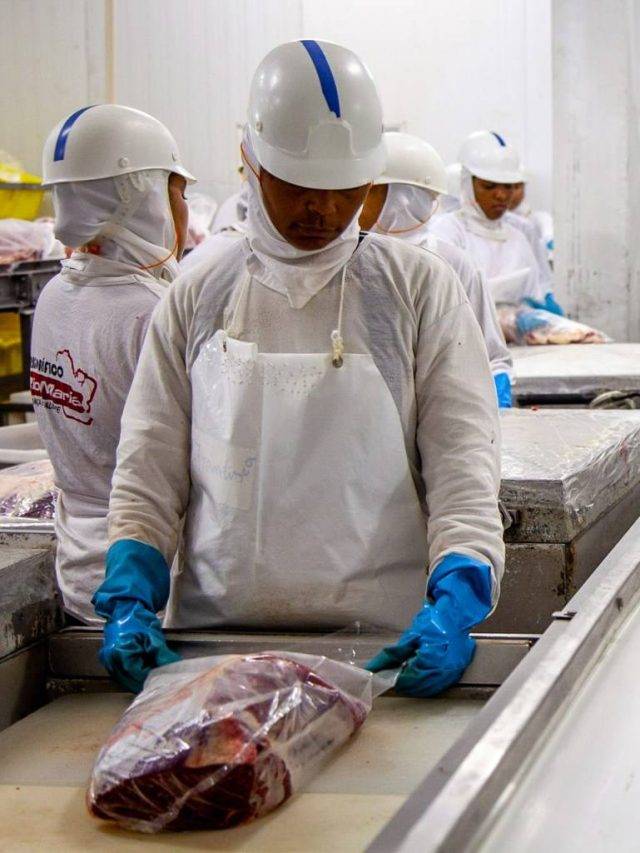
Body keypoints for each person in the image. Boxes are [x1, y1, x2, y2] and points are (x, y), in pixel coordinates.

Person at [94, 40, 505, 696]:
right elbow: (150, 464)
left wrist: (458, 595)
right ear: (252, 165)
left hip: (381, 645)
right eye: (300, 187)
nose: (324, 211)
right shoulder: (199, 290)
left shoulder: (417, 289)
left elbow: (463, 463)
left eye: (346, 191)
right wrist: (129, 593)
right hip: (214, 642)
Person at [32, 104, 194, 623]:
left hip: (80, 574)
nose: (184, 211)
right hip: (148, 584)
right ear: (142, 198)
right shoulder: (153, 312)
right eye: (178, 193)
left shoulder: (55, 295)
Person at [360, 131, 513, 407]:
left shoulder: (451, 262)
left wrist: (495, 400)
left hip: (440, 409)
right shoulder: (351, 258)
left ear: (401, 198)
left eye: (367, 192)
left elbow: (491, 356)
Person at [429, 131, 555, 310]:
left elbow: (538, 287)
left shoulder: (518, 237)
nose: (501, 195)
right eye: (489, 186)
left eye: (508, 186)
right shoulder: (446, 232)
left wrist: (539, 307)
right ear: (467, 184)